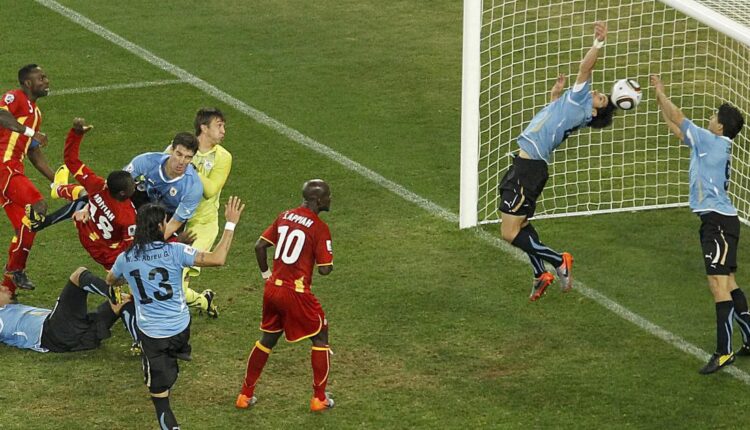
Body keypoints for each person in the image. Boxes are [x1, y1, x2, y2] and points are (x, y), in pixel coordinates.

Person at [498, 22, 616, 301]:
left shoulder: (579, 102)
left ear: (595, 112)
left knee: (508, 232)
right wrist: (555, 96)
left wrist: (598, 43)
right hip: (527, 165)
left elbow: (585, 68)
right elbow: (553, 119)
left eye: (600, 98)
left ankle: (558, 260)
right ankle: (540, 273)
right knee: (519, 224)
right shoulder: (575, 107)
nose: (595, 92)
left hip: (529, 168)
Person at [107, 197, 245, 430]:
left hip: (153, 336)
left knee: (160, 399)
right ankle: (174, 360)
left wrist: (129, 281)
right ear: (160, 226)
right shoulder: (176, 251)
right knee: (169, 365)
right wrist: (230, 223)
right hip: (181, 330)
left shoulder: (126, 258)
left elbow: (111, 280)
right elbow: (218, 258)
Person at [651, 74, 750, 374]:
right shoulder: (709, 144)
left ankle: (724, 352)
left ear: (720, 127)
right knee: (728, 283)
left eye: (714, 116)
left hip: (717, 223)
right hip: (720, 220)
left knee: (718, 285)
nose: (710, 117)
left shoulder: (711, 141)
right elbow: (677, 129)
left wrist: (661, 92)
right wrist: (659, 102)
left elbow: (680, 118)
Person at [236, 179, 335, 412]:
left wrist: (266, 275)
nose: (330, 199)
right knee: (320, 337)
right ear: (317, 200)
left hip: (272, 290)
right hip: (295, 293)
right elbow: (325, 269)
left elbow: (259, 246)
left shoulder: (285, 216)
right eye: (327, 196)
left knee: (267, 340)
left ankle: (245, 394)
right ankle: (319, 399)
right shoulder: (319, 227)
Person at [0, 64, 82, 297]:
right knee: (38, 206)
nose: (46, 81)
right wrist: (29, 132)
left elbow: (33, 152)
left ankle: (6, 292)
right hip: (4, 167)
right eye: (41, 78)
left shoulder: (35, 114)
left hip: (11, 170)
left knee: (26, 227)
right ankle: (15, 269)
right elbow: (1, 115)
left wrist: (57, 181)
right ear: (28, 83)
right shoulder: (15, 97)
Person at [26, 118, 137, 270]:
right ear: (123, 193)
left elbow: (71, 160)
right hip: (104, 253)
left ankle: (58, 188)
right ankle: (58, 189)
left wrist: (76, 134)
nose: (135, 186)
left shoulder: (98, 185)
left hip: (85, 231)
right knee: (85, 199)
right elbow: (130, 250)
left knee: (85, 196)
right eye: (133, 186)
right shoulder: (128, 216)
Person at [125, 133, 216, 316]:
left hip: (167, 221)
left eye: (188, 157)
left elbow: (175, 223)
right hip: (144, 207)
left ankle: (203, 300)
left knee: (165, 283)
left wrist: (149, 245)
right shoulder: (147, 161)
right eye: (179, 154)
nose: (182, 161)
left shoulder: (193, 187)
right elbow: (117, 185)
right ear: (171, 150)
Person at [0, 267, 135, 353]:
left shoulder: (11, 309)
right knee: (79, 275)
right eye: (0, 289)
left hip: (80, 339)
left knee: (123, 300)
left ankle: (143, 344)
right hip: (54, 333)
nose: (5, 288)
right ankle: (112, 291)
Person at [179, 108, 233, 318]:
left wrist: (190, 167)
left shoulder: (223, 157)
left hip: (202, 226)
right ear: (204, 127)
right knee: (171, 284)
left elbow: (210, 190)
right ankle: (204, 301)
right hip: (176, 221)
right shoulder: (180, 149)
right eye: (219, 125)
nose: (223, 131)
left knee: (176, 276)